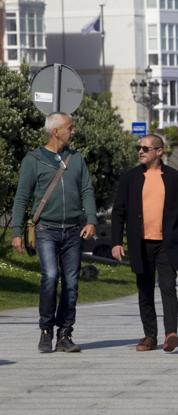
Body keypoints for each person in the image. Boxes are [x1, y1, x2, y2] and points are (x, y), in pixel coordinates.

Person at [11, 112, 97, 353]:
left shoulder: (76, 158)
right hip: (46, 230)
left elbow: (87, 190)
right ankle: (46, 328)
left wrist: (91, 220)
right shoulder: (34, 160)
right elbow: (21, 198)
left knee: (71, 283)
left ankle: (65, 334)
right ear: (55, 131)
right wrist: (16, 231)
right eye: (70, 127)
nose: (74, 131)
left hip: (72, 231)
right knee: (50, 277)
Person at [111, 134, 178, 353]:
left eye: (145, 148)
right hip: (140, 243)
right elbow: (119, 213)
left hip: (167, 244)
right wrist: (116, 242)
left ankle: (171, 333)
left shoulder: (174, 178)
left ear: (159, 152)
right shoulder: (130, 178)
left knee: (168, 287)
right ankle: (150, 336)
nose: (140, 151)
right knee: (145, 290)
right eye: (139, 148)